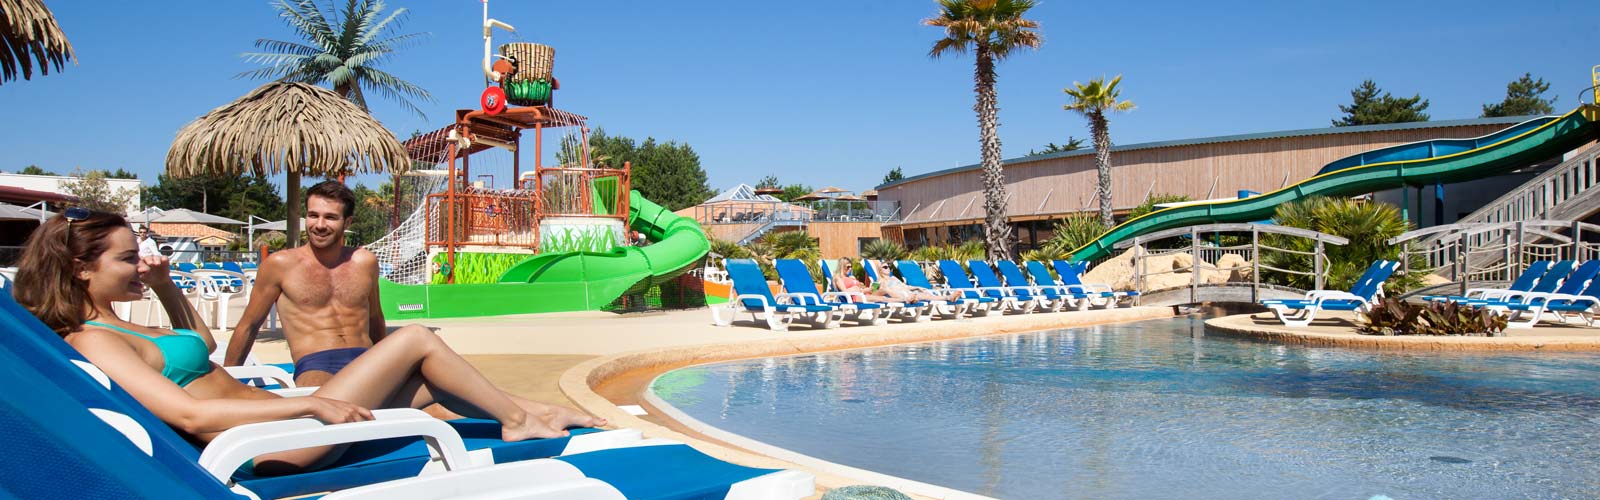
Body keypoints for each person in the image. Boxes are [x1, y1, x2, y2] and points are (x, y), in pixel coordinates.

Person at [14, 208, 604, 474]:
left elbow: (197, 346)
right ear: (79, 268)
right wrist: (308, 401)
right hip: (275, 442)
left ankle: (528, 412)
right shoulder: (92, 338)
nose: (139, 264)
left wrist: (166, 288)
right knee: (416, 339)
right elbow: (187, 413)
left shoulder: (120, 320)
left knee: (426, 381)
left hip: (279, 422)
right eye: (126, 258)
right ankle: (521, 420)